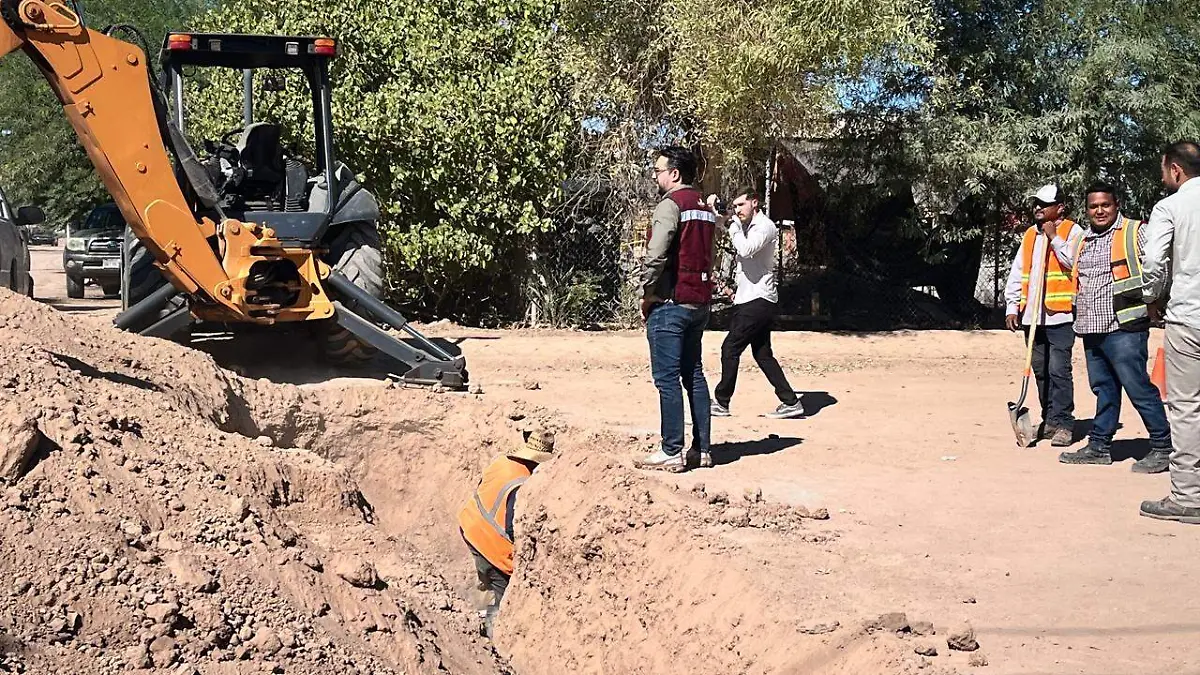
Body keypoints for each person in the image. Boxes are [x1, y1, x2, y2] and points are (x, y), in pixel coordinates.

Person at [1057, 183, 1172, 471]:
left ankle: (1163, 446)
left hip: (1124, 328)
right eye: (1093, 206)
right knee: (1104, 389)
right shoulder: (1082, 240)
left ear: (1116, 205)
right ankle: (1099, 446)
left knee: (1138, 388)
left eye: (1105, 205)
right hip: (1091, 328)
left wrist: (1154, 299)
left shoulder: (1135, 232)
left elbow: (1160, 264)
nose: (1099, 211)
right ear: (1086, 210)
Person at [634, 146, 716, 473]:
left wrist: (647, 293)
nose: (655, 176)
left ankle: (671, 450)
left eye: (658, 171)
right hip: (700, 302)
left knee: (667, 379)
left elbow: (657, 253)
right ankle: (703, 449)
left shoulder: (671, 205)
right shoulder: (704, 207)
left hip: (671, 303)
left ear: (674, 173)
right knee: (693, 373)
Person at [1140, 141, 1200, 523]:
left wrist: (1152, 297)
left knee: (1187, 407)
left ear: (1175, 169)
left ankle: (1188, 496)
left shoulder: (1171, 207)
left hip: (1188, 317)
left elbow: (1153, 260)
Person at [705, 188, 804, 419]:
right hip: (750, 298)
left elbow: (746, 249)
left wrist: (731, 223)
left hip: (758, 300)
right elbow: (723, 225)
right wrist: (714, 211)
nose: (737, 210)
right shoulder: (745, 226)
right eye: (735, 206)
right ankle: (791, 401)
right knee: (762, 354)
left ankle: (722, 401)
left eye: (741, 205)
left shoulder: (765, 226)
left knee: (730, 348)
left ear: (755, 203)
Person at [1003, 184, 1085, 446]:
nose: (1038, 208)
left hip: (1060, 316)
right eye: (1036, 203)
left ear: (1060, 207)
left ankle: (1064, 423)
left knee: (1058, 370)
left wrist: (1054, 238)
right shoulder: (1030, 235)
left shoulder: (1073, 231)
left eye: (1044, 204)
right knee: (1040, 370)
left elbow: (1073, 262)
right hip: (1033, 317)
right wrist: (1012, 306)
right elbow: (1018, 271)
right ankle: (1049, 419)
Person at [457, 425, 556, 637]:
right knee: (505, 597)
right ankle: (494, 638)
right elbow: (513, 529)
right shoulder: (522, 484)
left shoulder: (503, 462)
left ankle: (484, 595)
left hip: (470, 524)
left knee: (490, 579)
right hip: (489, 545)